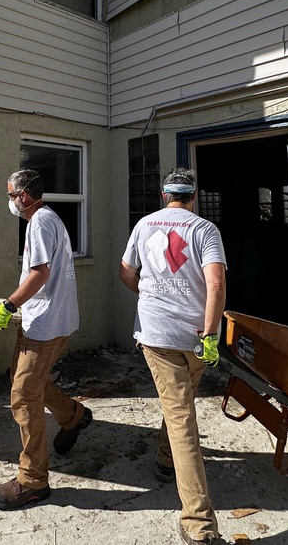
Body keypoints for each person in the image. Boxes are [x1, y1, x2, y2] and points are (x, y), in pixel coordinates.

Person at [119, 168, 228, 545]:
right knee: (181, 405)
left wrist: (147, 295)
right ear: (192, 196)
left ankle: (198, 525)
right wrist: (211, 334)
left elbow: (126, 272)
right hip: (195, 337)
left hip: (158, 333)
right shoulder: (204, 230)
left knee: (179, 410)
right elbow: (215, 283)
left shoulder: (145, 225)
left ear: (165, 195)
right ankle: (169, 466)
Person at [0, 169, 91, 511]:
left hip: (46, 323)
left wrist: (9, 304)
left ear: (24, 197)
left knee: (22, 394)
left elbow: (39, 272)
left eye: (10, 195)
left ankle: (33, 481)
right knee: (27, 379)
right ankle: (73, 416)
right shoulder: (46, 219)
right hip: (44, 319)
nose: (10, 202)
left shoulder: (40, 222)